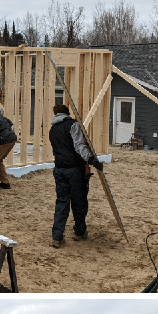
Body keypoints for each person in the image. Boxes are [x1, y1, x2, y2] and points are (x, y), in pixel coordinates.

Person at [48, 104, 103, 249]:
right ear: (67, 114)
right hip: (74, 170)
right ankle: (79, 232)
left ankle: (57, 238)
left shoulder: (52, 130)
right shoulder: (73, 125)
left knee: (61, 202)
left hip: (59, 169)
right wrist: (91, 160)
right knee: (79, 201)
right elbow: (79, 146)